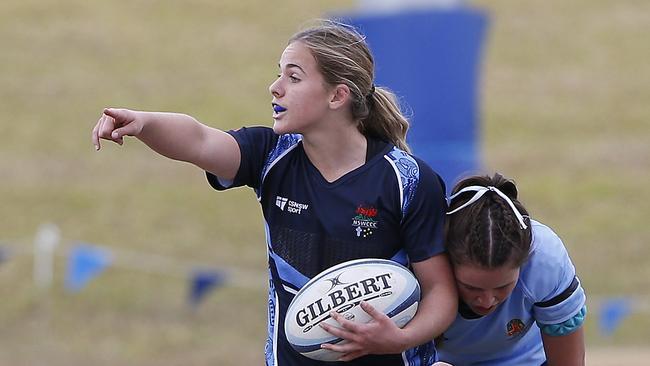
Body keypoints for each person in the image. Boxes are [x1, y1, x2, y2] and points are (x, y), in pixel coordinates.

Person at [92, 20, 457, 365]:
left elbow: (441, 293)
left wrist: (399, 339)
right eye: (278, 72)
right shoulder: (270, 156)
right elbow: (199, 140)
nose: (275, 86)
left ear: (337, 96)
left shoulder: (407, 181)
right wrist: (143, 123)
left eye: (293, 77)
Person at [437, 173, 586, 365]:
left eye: (502, 287)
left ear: (524, 263)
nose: (487, 301)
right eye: (471, 287)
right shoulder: (418, 263)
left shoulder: (544, 261)